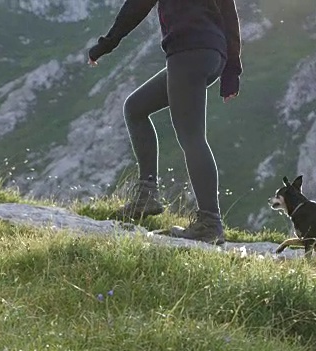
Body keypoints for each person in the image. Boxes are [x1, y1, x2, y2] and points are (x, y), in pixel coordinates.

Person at [87, 0, 242, 245]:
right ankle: (147, 195)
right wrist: (231, 69)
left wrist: (107, 43)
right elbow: (229, 14)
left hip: (188, 51)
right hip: (212, 54)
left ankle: (210, 223)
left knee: (191, 137)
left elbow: (136, 7)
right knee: (136, 107)